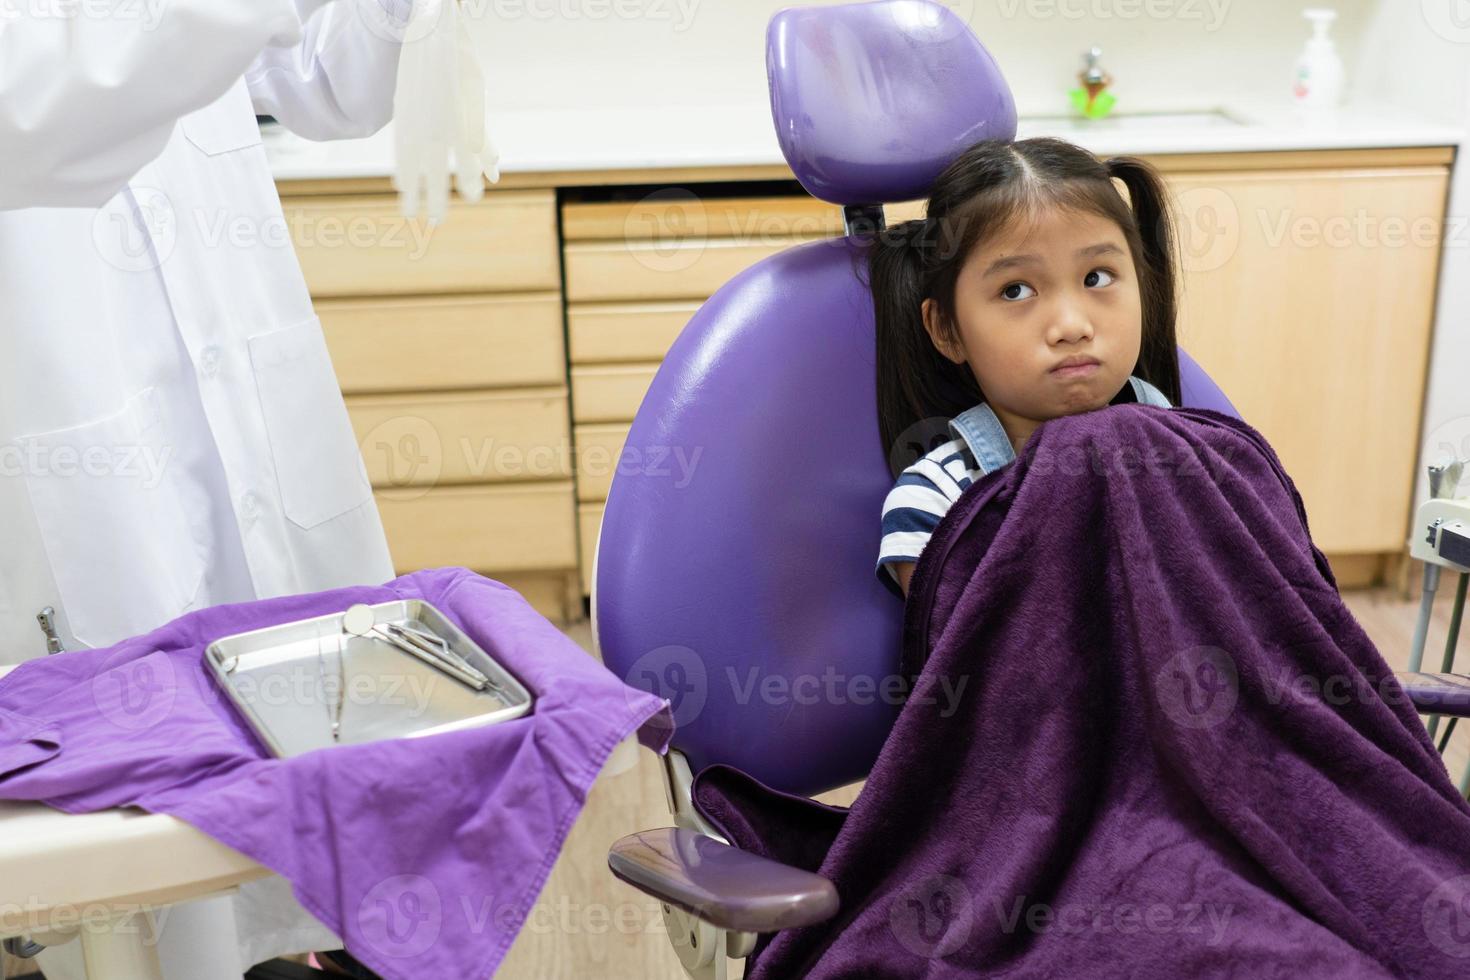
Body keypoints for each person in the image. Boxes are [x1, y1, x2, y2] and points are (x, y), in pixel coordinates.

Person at [0, 2, 415, 976]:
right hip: (78, 439)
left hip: (234, 403)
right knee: (134, 889)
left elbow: (334, 89)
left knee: (301, 839)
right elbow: (42, 101)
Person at [869, 136, 1183, 598]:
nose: (1072, 327)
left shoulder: (1185, 442)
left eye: (1096, 277)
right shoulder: (935, 505)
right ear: (946, 329)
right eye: (1016, 290)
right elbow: (973, 655)